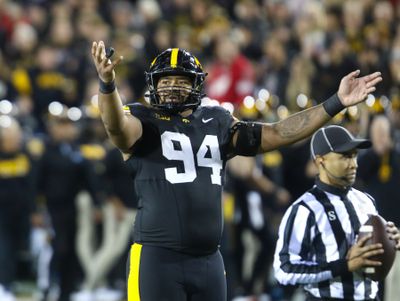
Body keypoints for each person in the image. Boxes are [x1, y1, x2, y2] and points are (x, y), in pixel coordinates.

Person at [90, 40, 382, 301]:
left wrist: (336, 103)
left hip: (209, 261)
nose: (172, 88)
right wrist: (107, 85)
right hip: (157, 259)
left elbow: (278, 133)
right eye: (165, 81)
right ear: (153, 85)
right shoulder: (142, 118)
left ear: (197, 85)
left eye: (181, 80)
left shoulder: (216, 120)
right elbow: (116, 126)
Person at [273, 125, 400, 301]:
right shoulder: (305, 208)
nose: (354, 164)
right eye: (345, 157)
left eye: (355, 156)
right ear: (320, 161)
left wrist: (391, 238)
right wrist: (344, 266)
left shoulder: (366, 200)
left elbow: (376, 248)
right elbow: (284, 270)